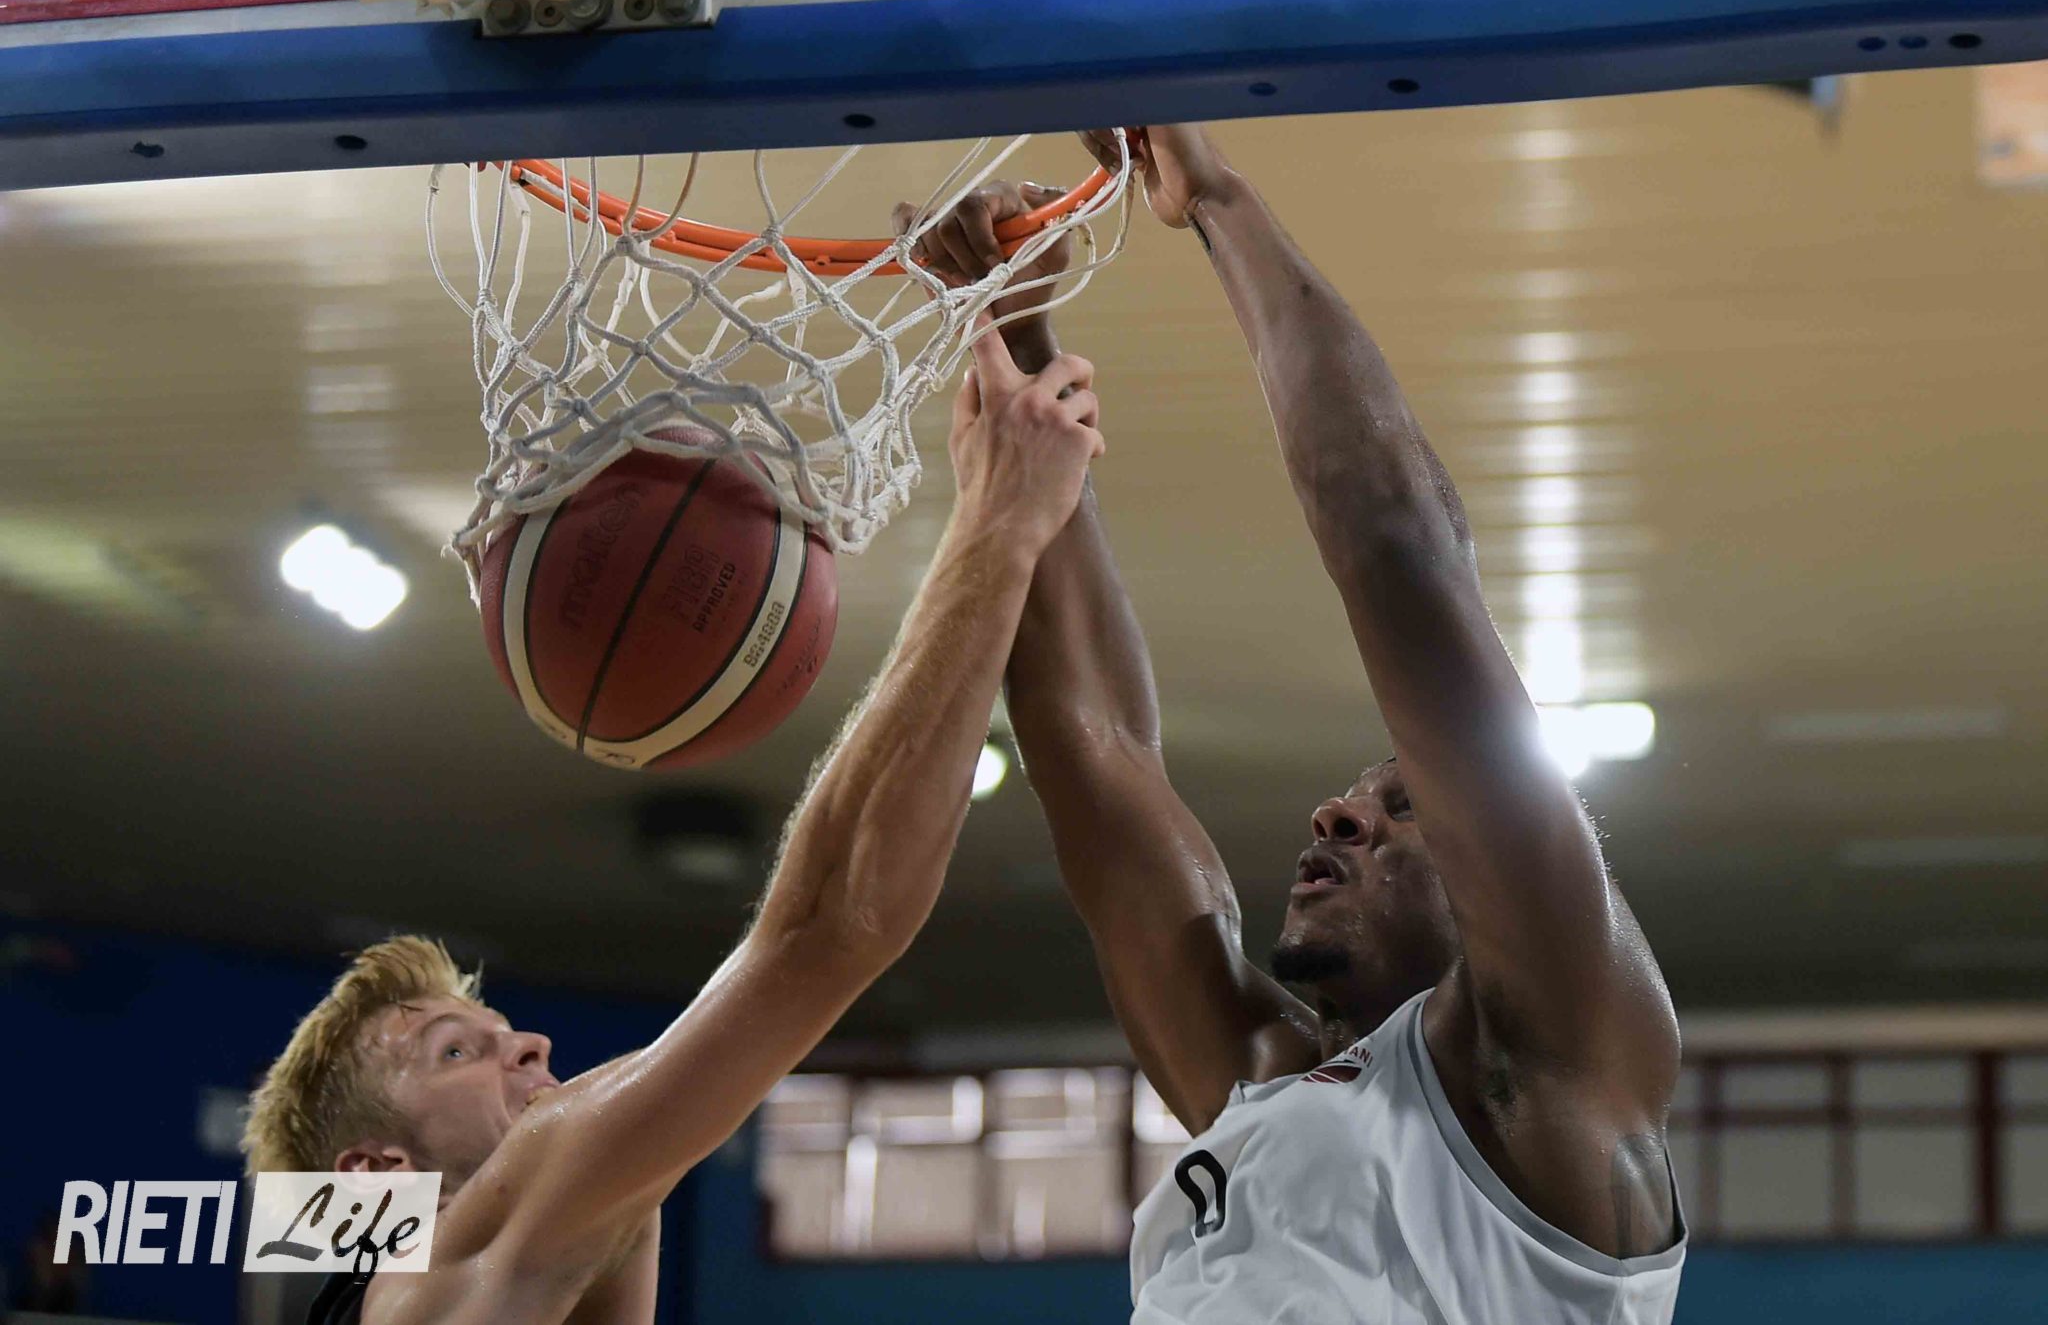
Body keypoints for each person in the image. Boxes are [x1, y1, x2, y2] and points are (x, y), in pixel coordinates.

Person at [911, 126, 1685, 1323]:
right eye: (1357, 800)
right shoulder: (1264, 1076)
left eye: (1402, 806)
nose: (1335, 813)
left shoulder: (1559, 1067)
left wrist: (1214, 199)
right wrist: (1018, 340)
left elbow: (1396, 542)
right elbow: (1090, 749)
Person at [241, 324, 1105, 1325]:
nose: (530, 1042)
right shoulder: (429, 1277)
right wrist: (999, 523)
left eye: (491, 1033)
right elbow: (828, 927)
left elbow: (820, 936)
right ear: (376, 1174)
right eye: (454, 1052)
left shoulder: (540, 1253)